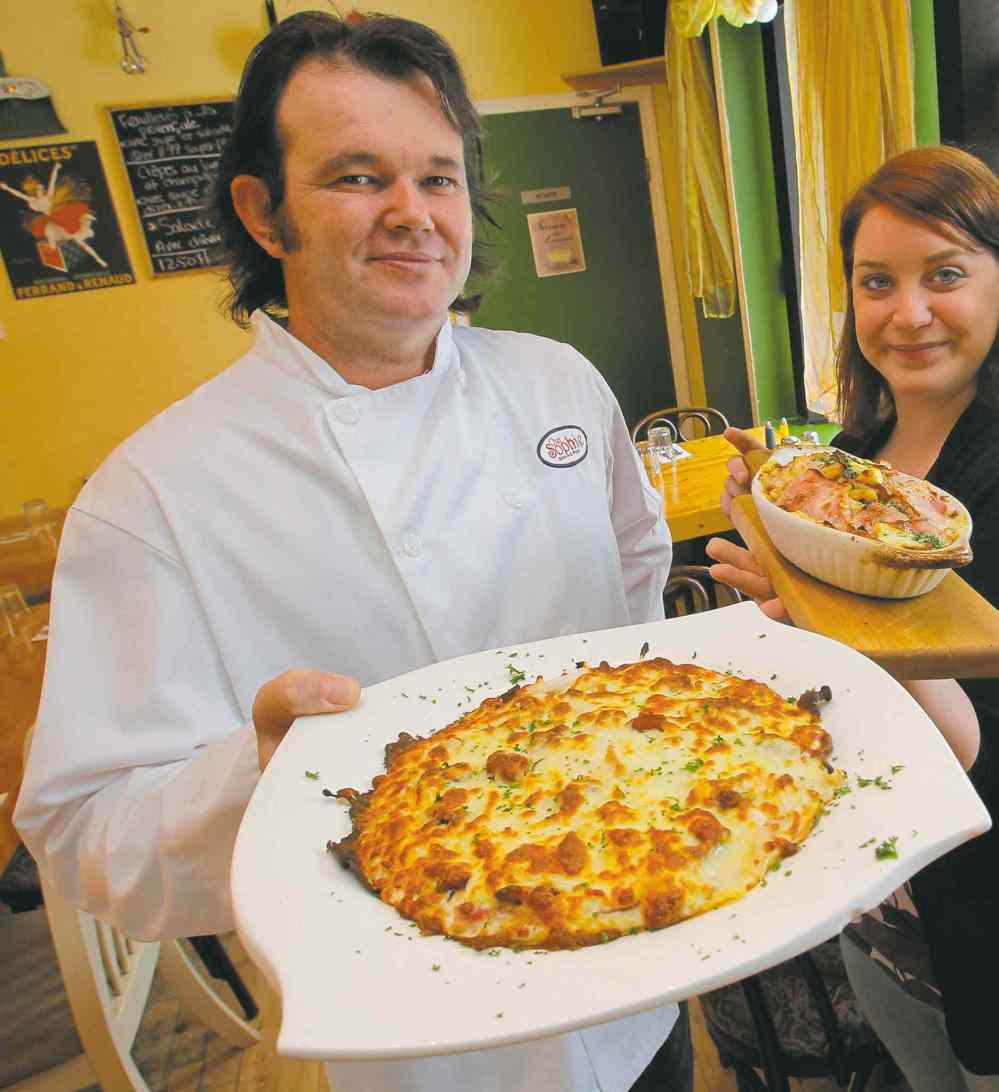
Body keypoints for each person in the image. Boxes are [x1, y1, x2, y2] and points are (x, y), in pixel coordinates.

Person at [15, 13, 694, 1092]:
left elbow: (630, 586)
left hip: (634, 948)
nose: (411, 215)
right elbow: (87, 839)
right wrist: (259, 770)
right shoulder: (154, 495)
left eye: (438, 176)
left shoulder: (561, 383)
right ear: (262, 211)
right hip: (407, 1045)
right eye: (356, 176)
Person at [707, 144, 999, 1091]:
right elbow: (837, 689)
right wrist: (781, 587)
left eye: (944, 275)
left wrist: (842, 609)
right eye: (876, 282)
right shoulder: (848, 457)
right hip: (880, 912)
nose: (905, 313)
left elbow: (968, 743)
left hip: (982, 912)